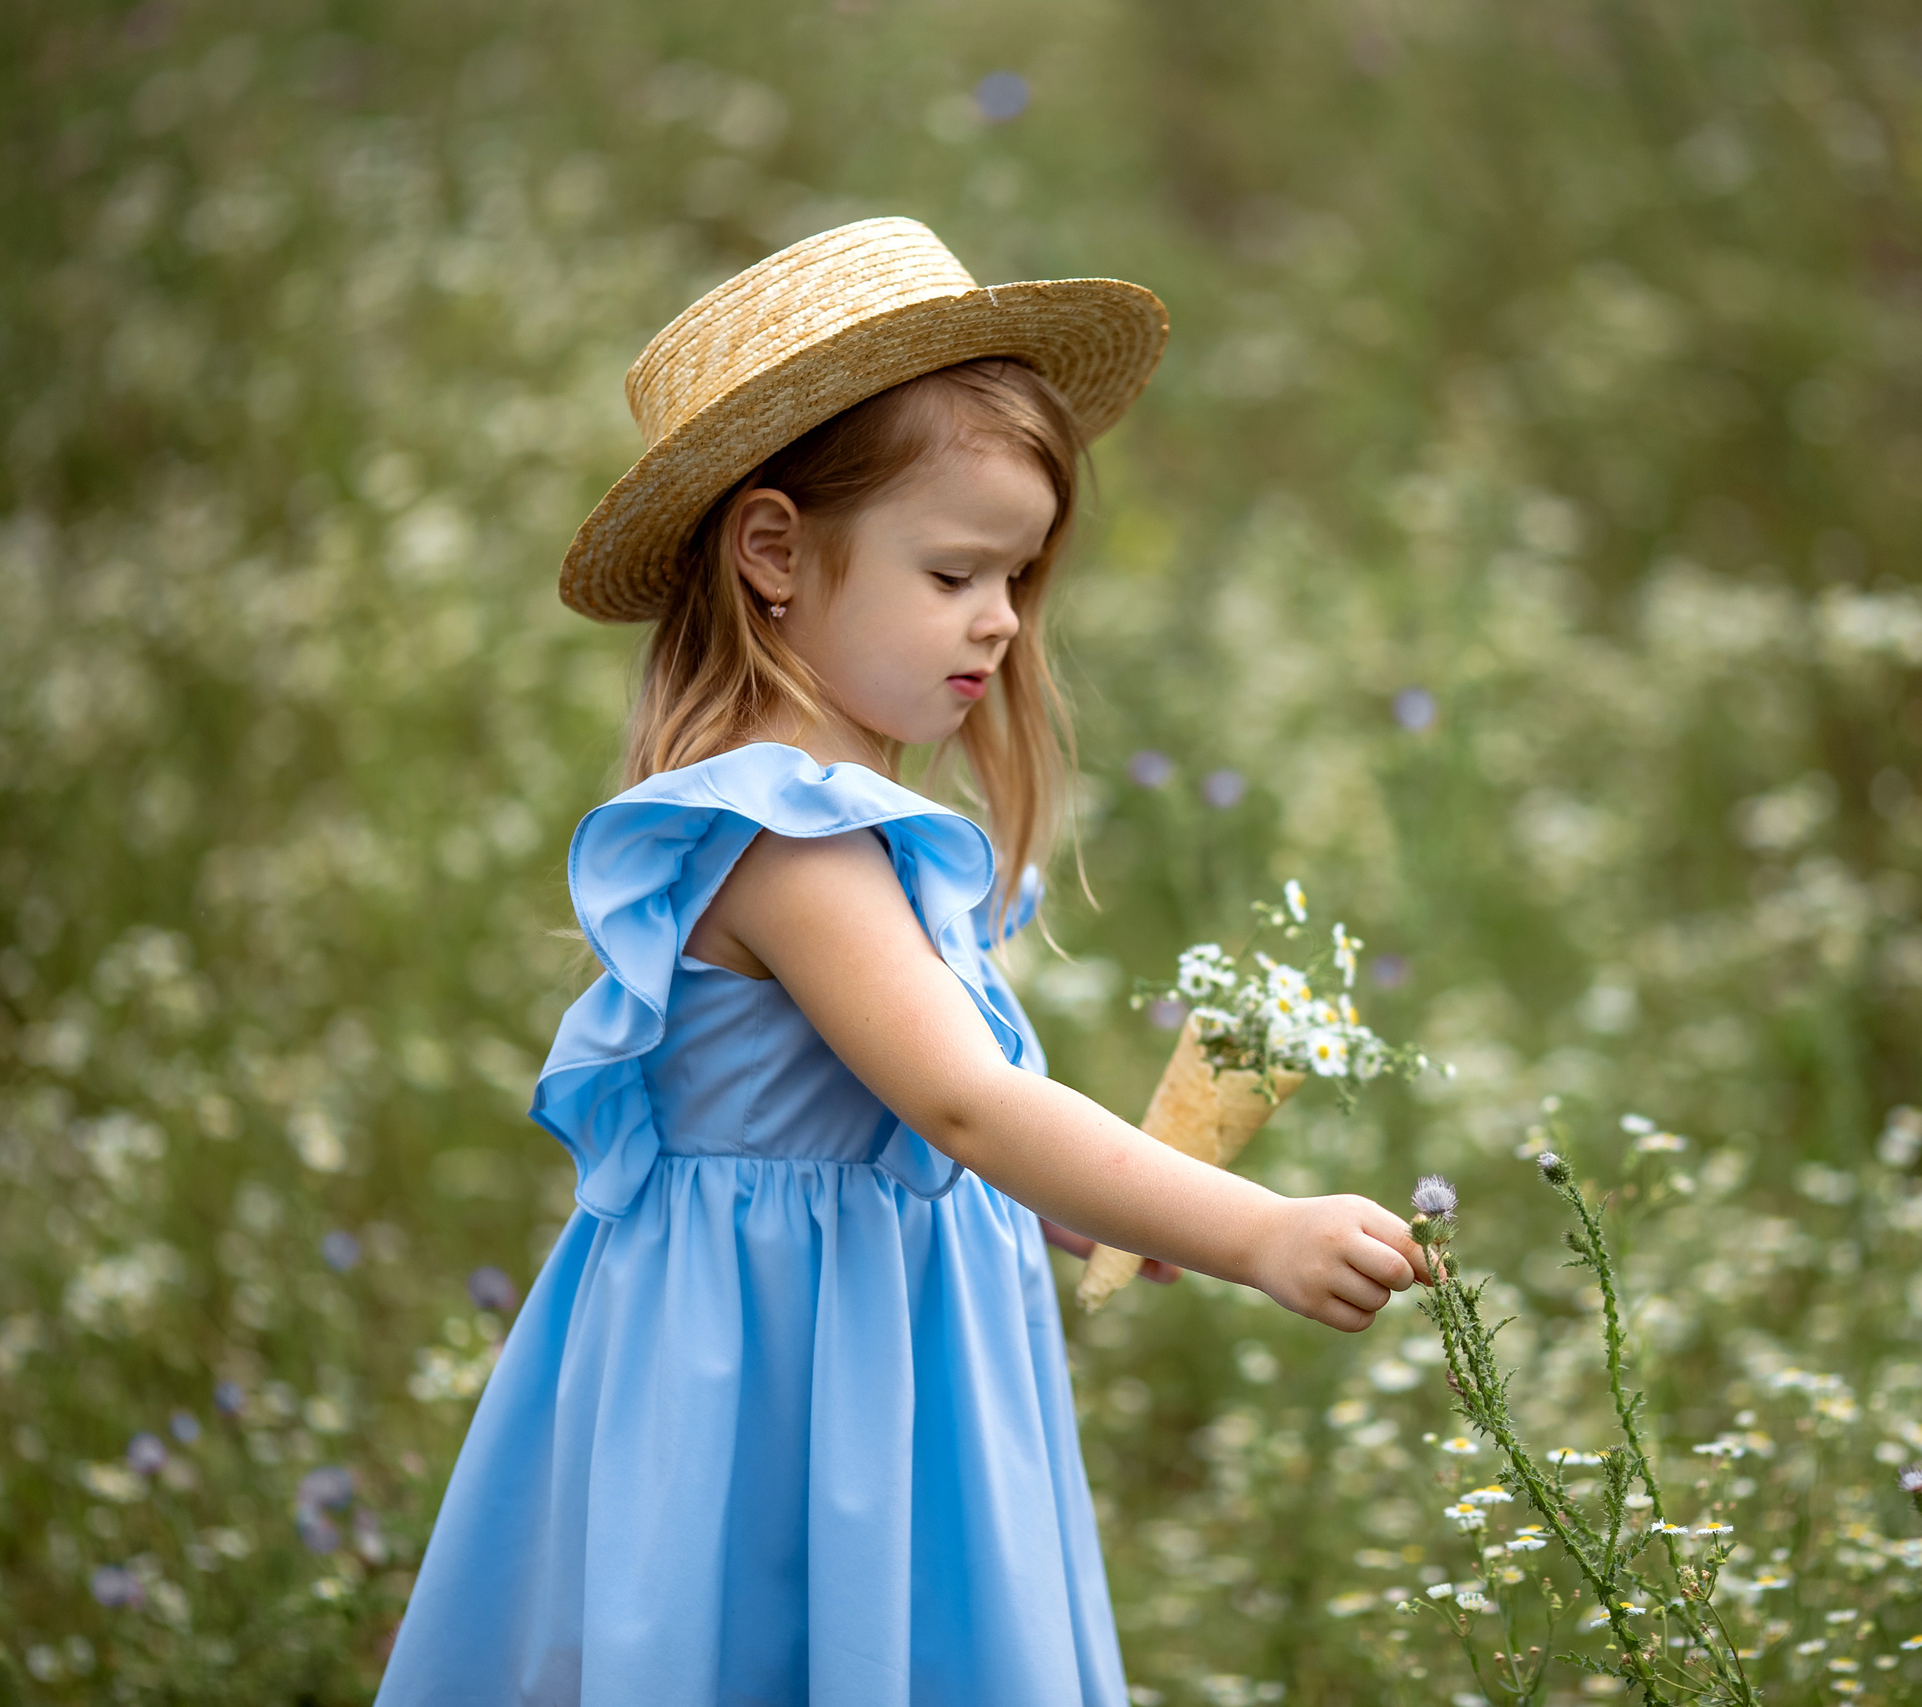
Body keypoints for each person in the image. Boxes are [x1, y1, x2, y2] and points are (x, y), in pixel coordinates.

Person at [375, 218, 1427, 1707]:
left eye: (1018, 576)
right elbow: (967, 1109)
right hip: (788, 1384)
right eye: (952, 573)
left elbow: (929, 1127)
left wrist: (1090, 1206)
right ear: (775, 554)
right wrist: (1251, 1229)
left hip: (872, 1353)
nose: (999, 621)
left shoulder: (856, 828)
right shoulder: (786, 836)